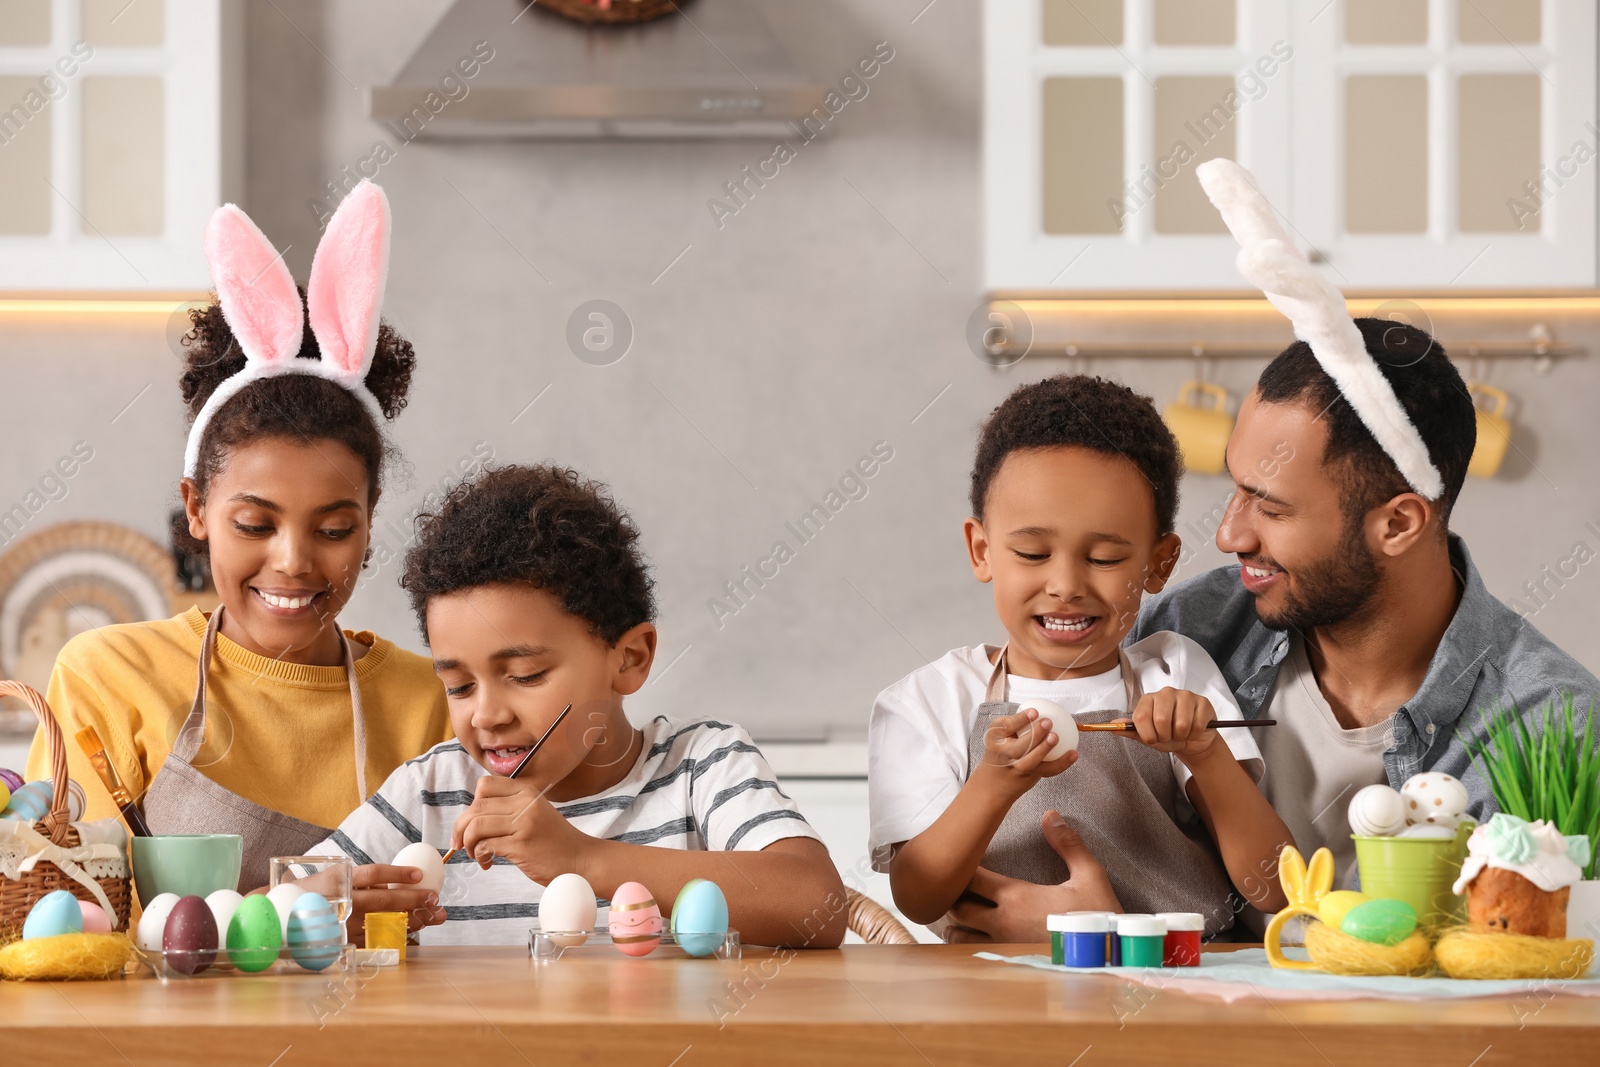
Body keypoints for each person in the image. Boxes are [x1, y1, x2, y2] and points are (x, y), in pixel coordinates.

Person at [1130, 159, 1600, 921]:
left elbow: (1538, 978)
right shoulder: (1190, 635)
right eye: (1235, 486)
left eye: (1269, 506)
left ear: (1399, 522)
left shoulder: (1554, 726)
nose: (1227, 532)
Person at [28, 183, 452, 908]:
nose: (293, 560)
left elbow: (475, 919)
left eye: (333, 528)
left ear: (372, 518)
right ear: (196, 507)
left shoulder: (433, 701)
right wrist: (293, 917)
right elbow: (63, 928)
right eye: (255, 524)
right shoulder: (109, 678)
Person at [310, 464, 848, 947]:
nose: (487, 715)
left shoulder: (699, 767)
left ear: (629, 659)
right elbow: (278, 906)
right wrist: (326, 912)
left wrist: (582, 859)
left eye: (525, 675)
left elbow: (816, 905)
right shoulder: (430, 794)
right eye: (459, 686)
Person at [868, 375, 1291, 944]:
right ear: (981, 549)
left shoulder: (1175, 670)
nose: (1065, 585)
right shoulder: (931, 700)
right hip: (999, 996)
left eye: (1105, 557)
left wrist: (1206, 752)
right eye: (1032, 553)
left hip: (1180, 983)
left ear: (1159, 564)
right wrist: (991, 784)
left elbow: (1273, 887)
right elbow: (919, 898)